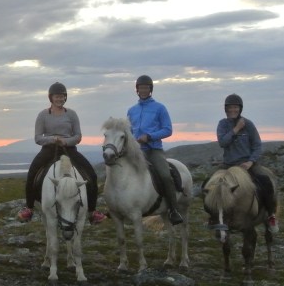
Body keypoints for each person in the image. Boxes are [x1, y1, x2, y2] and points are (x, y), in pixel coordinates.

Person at [17, 82, 106, 224]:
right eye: (57, 97)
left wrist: (66, 141)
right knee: (32, 174)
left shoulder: (71, 114)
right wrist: (52, 139)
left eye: (62, 96)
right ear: (51, 98)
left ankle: (92, 211)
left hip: (68, 149)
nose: (60, 99)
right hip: (49, 149)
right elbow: (38, 138)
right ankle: (29, 208)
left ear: (65, 98)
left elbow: (78, 136)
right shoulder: (43, 115)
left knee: (91, 175)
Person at [127, 74, 184, 225]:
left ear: (150, 89)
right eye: (141, 88)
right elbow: (128, 132)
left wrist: (150, 136)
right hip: (136, 150)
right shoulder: (131, 110)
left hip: (153, 150)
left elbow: (168, 130)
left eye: (146, 87)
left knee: (165, 175)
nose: (143, 90)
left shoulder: (159, 108)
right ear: (137, 90)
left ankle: (173, 209)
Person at [215, 93, 278, 230]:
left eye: (236, 107)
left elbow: (257, 145)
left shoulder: (248, 124)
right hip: (228, 165)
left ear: (240, 109)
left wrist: (250, 162)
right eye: (230, 107)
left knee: (266, 182)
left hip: (247, 164)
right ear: (225, 109)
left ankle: (271, 215)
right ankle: (214, 216)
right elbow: (222, 142)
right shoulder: (223, 124)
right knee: (210, 184)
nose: (233, 110)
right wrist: (236, 129)